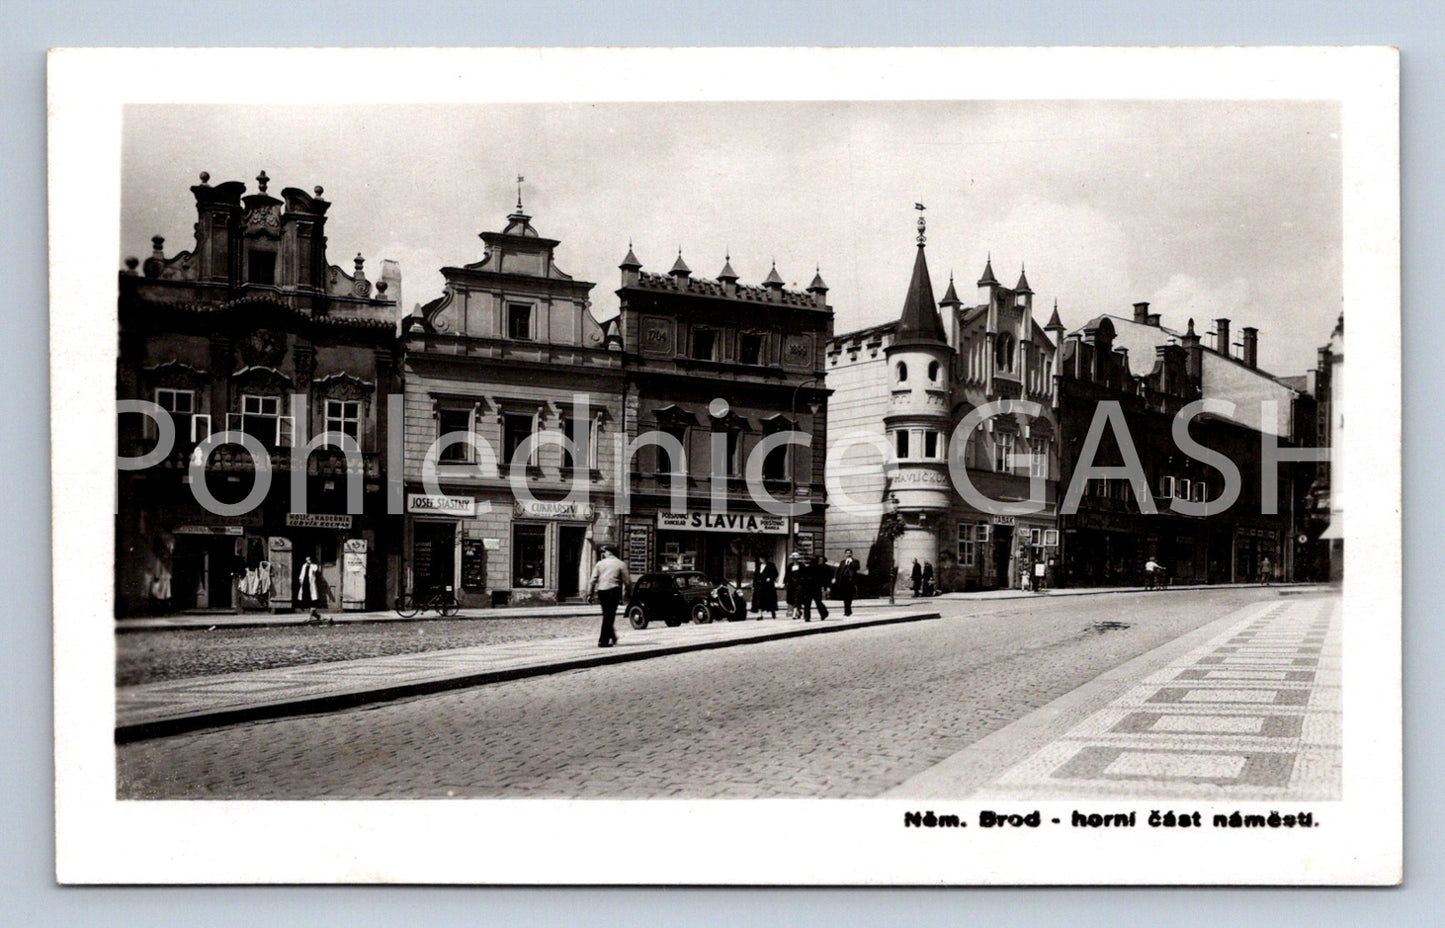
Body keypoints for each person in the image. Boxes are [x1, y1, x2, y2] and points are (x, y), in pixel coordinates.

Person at [587, 544, 631, 648]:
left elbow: (592, 580)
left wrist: (590, 594)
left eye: (605, 552)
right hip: (613, 591)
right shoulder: (621, 564)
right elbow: (627, 581)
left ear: (609, 552)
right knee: (609, 616)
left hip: (602, 591)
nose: (604, 554)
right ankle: (603, 641)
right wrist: (628, 592)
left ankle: (612, 636)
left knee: (607, 615)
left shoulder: (600, 564)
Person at [296, 556, 328, 624]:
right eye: (307, 559)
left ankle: (312, 608)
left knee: (312, 594)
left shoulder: (313, 565)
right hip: (305, 581)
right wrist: (300, 579)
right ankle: (304, 605)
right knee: (304, 593)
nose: (308, 561)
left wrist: (310, 564)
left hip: (311, 582)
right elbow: (302, 573)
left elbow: (315, 570)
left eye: (309, 559)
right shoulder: (304, 565)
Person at [834, 548, 859, 616]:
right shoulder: (842, 562)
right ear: (845, 554)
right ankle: (847, 611)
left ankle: (848, 610)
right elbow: (838, 571)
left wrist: (851, 563)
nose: (848, 554)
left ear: (851, 554)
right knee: (845, 597)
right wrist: (835, 578)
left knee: (849, 596)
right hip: (844, 581)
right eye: (847, 553)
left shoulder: (855, 561)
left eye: (849, 553)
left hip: (851, 581)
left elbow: (857, 568)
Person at [808, 556, 831, 621]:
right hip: (815, 587)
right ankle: (823, 613)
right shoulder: (820, 568)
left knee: (809, 603)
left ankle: (807, 617)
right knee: (817, 602)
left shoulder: (810, 568)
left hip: (812, 587)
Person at [785, 553, 807, 619]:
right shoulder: (789, 566)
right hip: (791, 585)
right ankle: (798, 611)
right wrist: (785, 582)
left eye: (796, 559)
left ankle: (794, 614)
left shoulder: (802, 566)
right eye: (793, 559)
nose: (795, 560)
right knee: (792, 598)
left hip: (799, 584)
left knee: (797, 598)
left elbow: (805, 575)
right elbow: (787, 575)